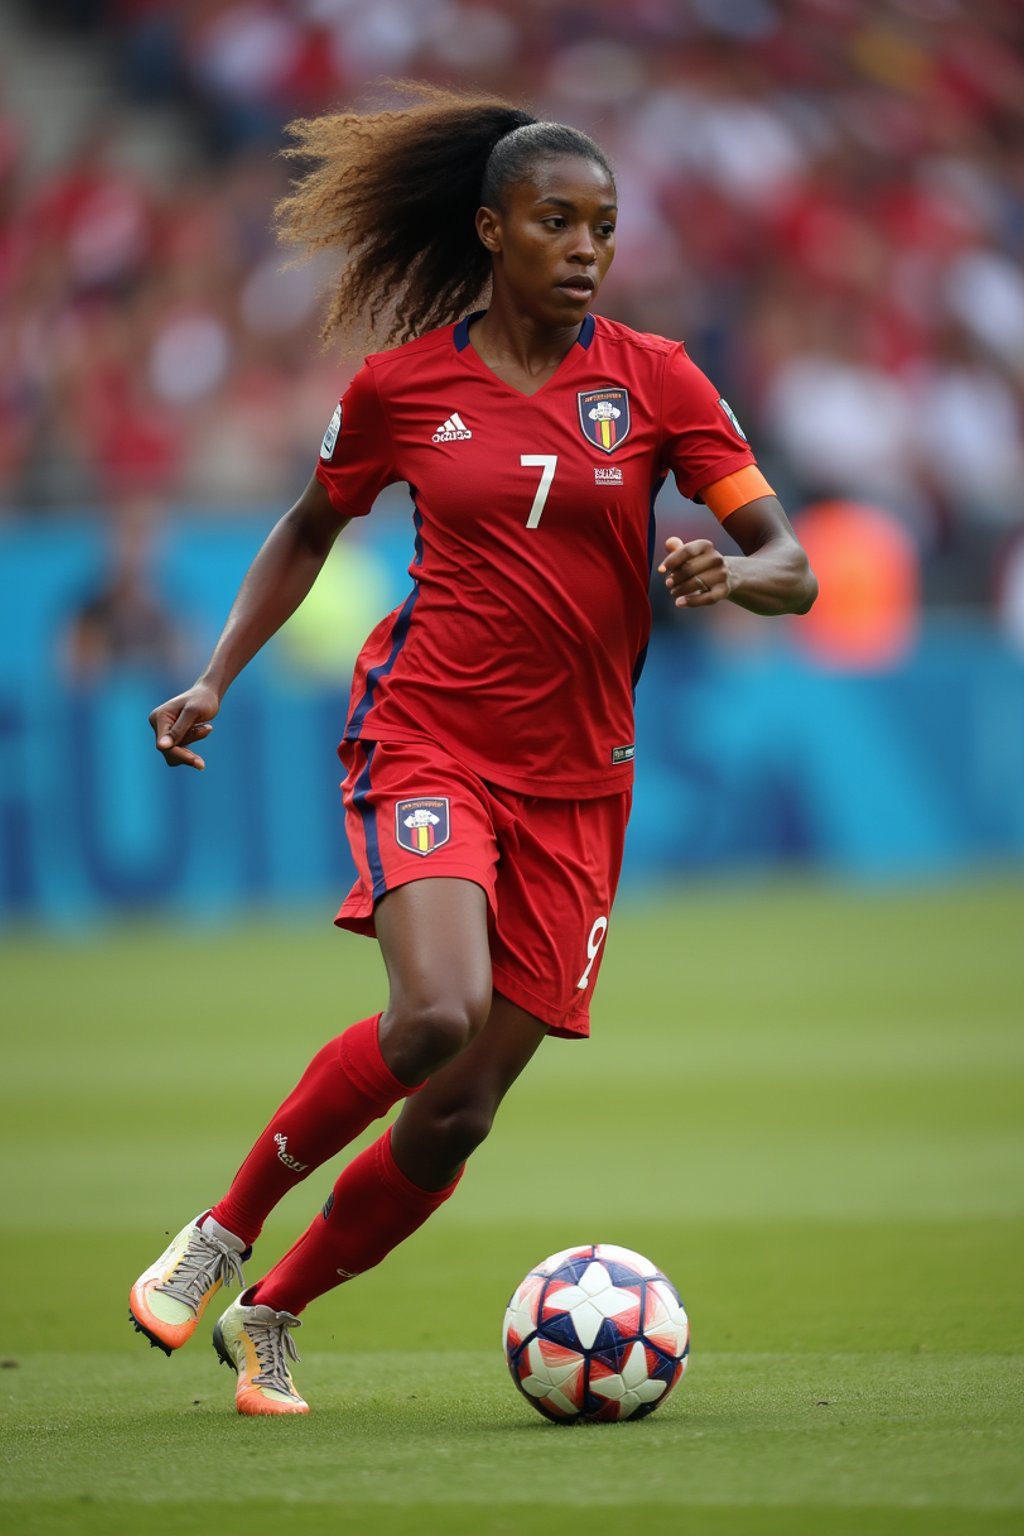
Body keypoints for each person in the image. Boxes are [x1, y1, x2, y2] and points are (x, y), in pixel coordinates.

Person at [128, 84, 817, 1416]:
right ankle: (223, 1230)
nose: (585, 250)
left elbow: (792, 559)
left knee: (459, 1111)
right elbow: (304, 531)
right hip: (430, 736)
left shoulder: (657, 381)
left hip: (583, 786)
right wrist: (214, 677)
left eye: (603, 229)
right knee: (431, 1015)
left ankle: (272, 1315)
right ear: (492, 230)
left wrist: (736, 578)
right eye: (557, 222)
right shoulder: (401, 390)